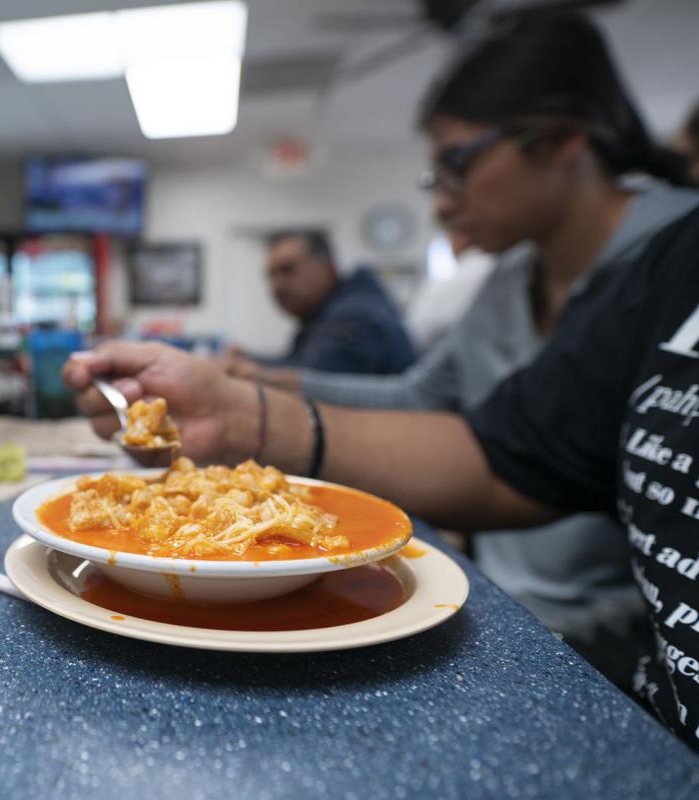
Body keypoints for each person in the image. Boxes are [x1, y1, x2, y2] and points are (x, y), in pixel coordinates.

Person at [63, 205, 699, 750]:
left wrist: (245, 400)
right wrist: (235, 411)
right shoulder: (666, 267)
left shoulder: (356, 318)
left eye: (456, 161)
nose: (445, 202)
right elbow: (507, 455)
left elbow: (429, 406)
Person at [229, 12, 699, 684]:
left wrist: (259, 407)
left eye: (458, 164)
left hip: (604, 641)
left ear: (564, 139)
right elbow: (443, 410)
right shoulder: (509, 277)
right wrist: (258, 394)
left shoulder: (667, 261)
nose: (444, 204)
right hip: (499, 604)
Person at [225, 230, 416, 376]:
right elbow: (300, 363)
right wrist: (250, 360)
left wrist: (249, 369)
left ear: (327, 267)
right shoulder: (326, 313)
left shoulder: (355, 318)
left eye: (288, 270)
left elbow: (310, 382)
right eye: (271, 275)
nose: (277, 285)